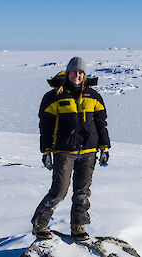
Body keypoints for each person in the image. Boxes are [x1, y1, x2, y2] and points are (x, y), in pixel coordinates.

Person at [31, 57, 111, 241]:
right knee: (59, 191)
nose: (78, 75)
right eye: (75, 72)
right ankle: (40, 224)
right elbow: (45, 126)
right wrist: (46, 151)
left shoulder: (94, 96)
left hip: (89, 151)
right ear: (68, 73)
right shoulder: (54, 96)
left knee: (82, 191)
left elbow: (101, 124)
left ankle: (78, 226)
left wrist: (104, 147)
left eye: (81, 72)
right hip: (64, 151)